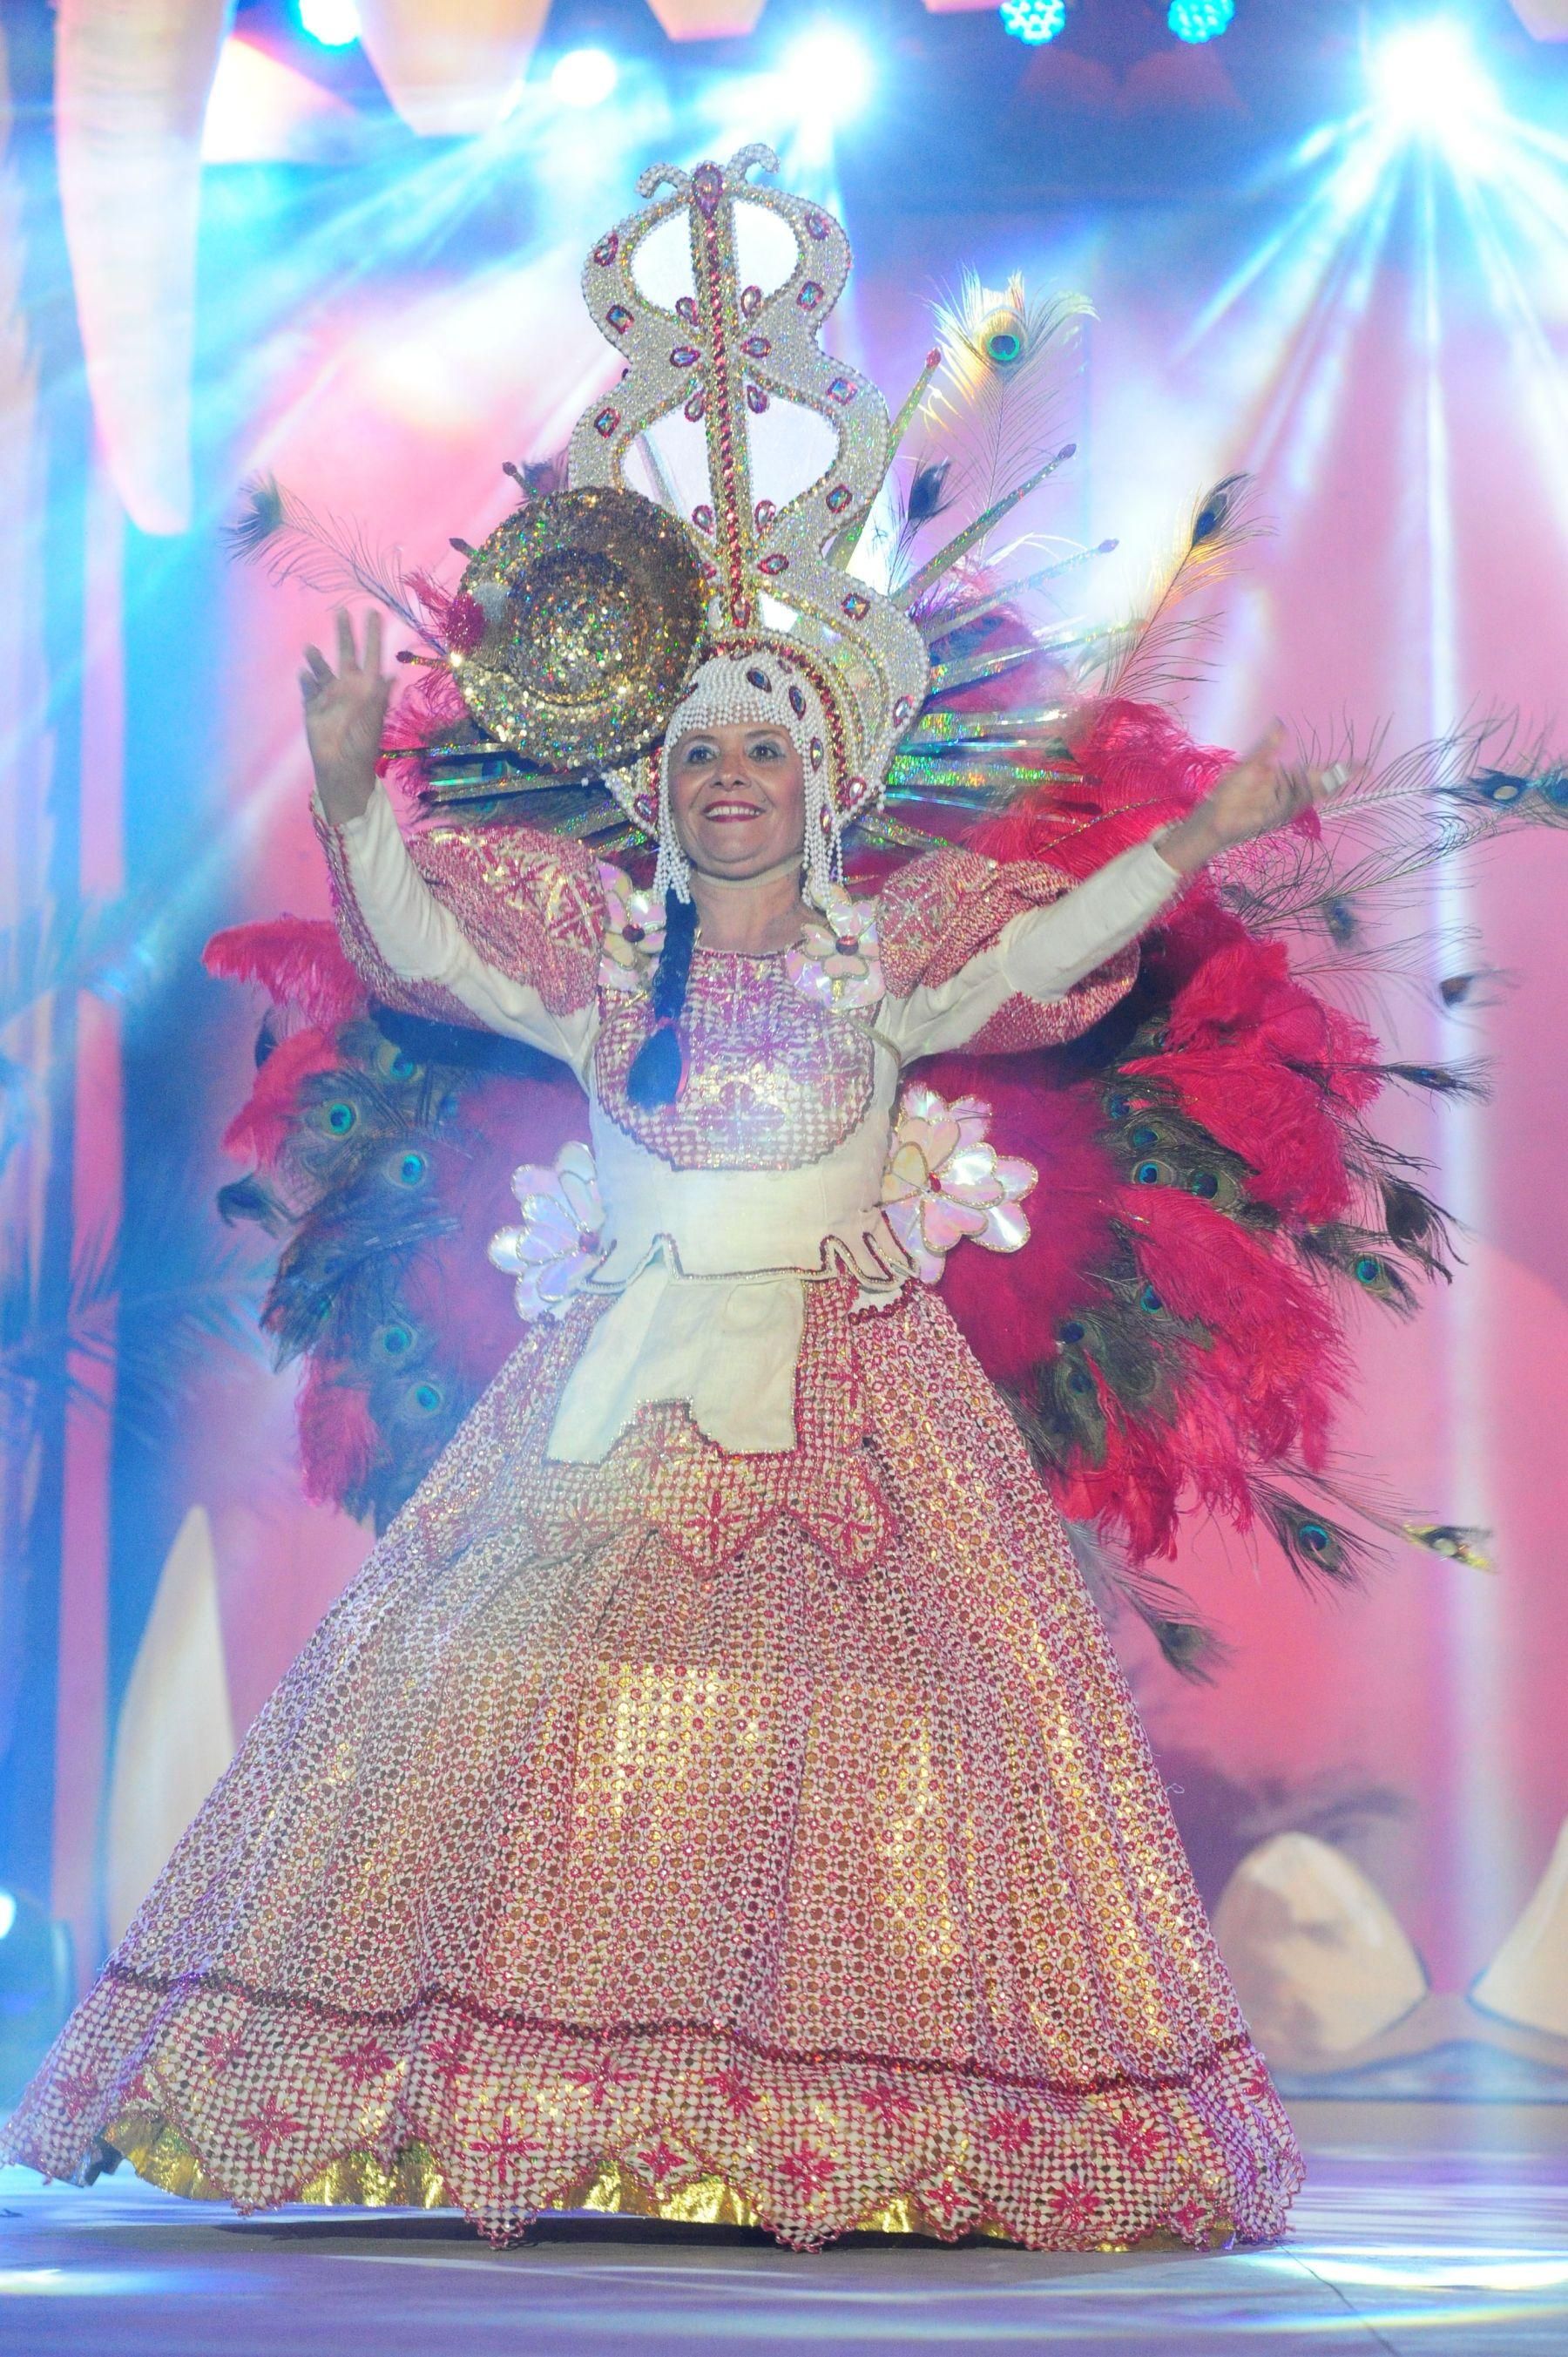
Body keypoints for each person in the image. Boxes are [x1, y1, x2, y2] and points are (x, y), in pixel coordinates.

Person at [1, 144, 1483, 2254]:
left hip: (855, 1396)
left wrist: (1206, 835)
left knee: (881, 1745)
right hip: (608, 1394)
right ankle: (528, 2103)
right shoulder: (605, 956)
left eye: (762, 757)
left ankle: (846, 2119)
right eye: (696, 757)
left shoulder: (888, 956)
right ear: (660, 783)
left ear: (825, 779)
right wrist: (346, 800)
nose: (727, 784)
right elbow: (424, 956)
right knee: (508, 1723)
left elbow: (1049, 957)